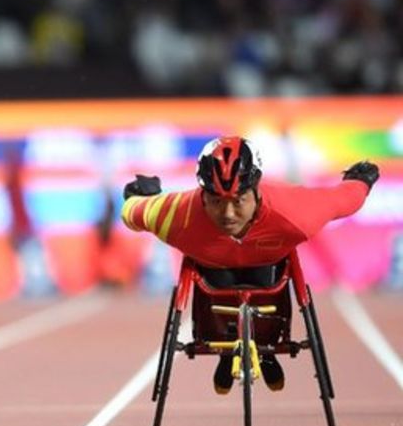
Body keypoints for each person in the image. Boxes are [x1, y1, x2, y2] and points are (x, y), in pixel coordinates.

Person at [122, 136, 378, 394]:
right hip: (213, 277)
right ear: (203, 196)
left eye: (238, 201)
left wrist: (360, 180)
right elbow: (133, 212)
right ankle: (224, 348)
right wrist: (144, 197)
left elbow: (343, 200)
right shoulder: (180, 215)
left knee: (269, 269)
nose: (228, 214)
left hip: (268, 273)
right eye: (217, 201)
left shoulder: (293, 211)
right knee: (213, 274)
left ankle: (266, 349)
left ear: (256, 190)